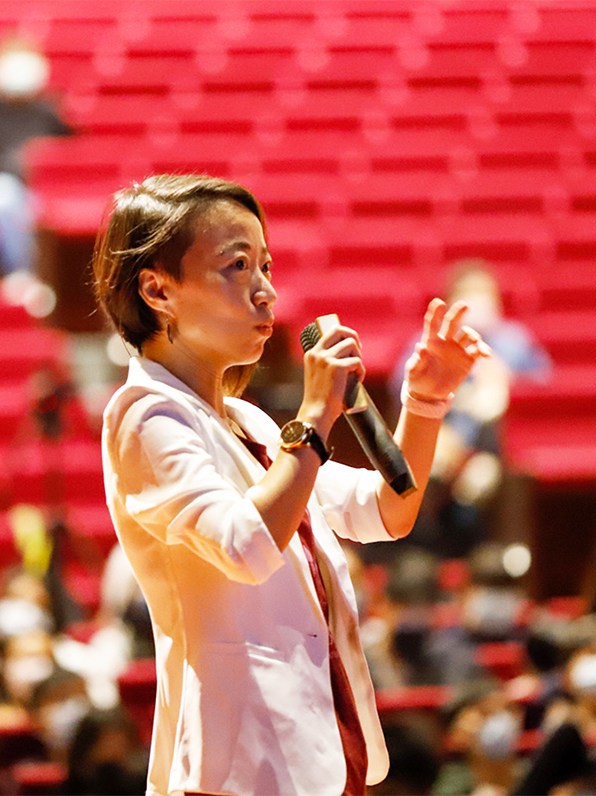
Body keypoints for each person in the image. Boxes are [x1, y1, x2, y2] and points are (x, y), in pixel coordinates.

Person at [92, 175, 489, 795]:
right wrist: (314, 418)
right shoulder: (144, 415)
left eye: (266, 265)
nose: (265, 290)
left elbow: (388, 511)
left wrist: (426, 399)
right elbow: (246, 547)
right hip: (237, 762)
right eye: (237, 266)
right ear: (157, 289)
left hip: (317, 744)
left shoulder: (244, 418)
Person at [389, 260, 550, 558]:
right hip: (440, 442)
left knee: (488, 483)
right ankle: (422, 551)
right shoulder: (427, 342)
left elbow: (543, 385)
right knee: (427, 469)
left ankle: (498, 559)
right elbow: (401, 387)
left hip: (495, 451)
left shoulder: (513, 341)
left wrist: (506, 383)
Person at [0, 38, 71, 314]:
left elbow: (69, 150)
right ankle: (24, 277)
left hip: (48, 189)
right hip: (10, 187)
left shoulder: (48, 112)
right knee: (6, 199)